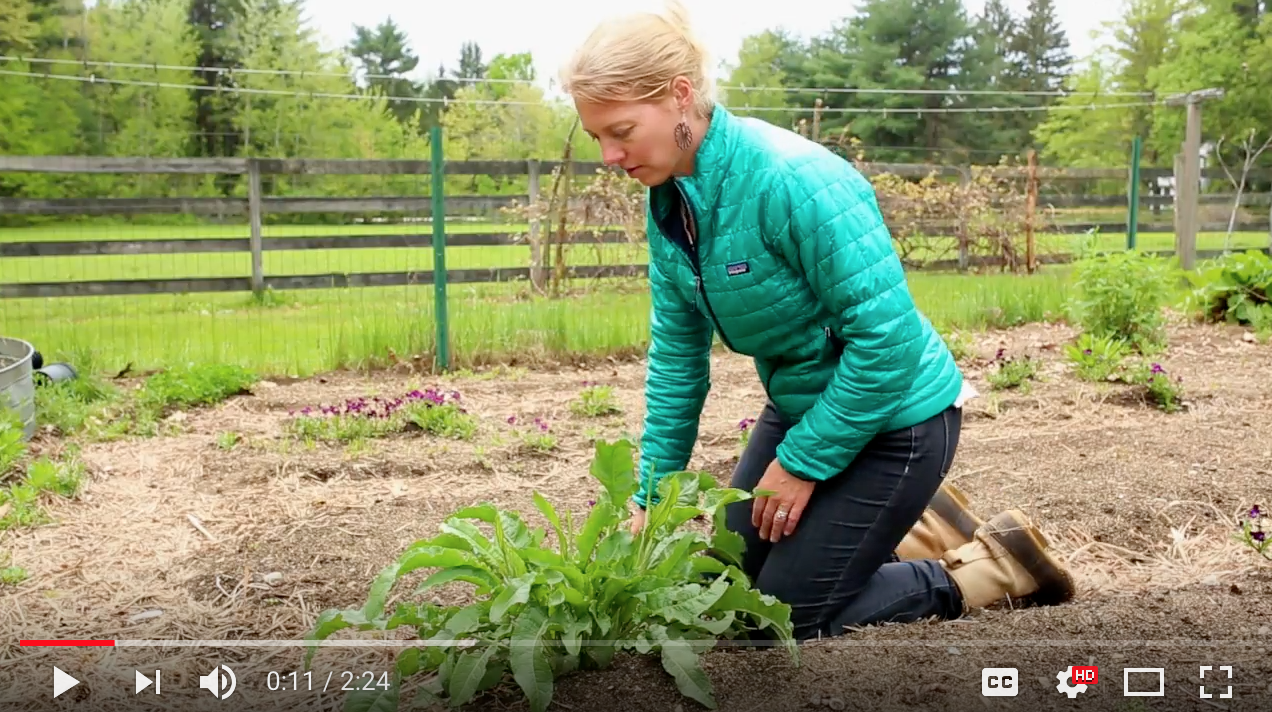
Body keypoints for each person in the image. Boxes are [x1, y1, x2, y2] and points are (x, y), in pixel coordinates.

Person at [559, 1, 1076, 641]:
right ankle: (914, 528)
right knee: (716, 598)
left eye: (622, 130)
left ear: (679, 97)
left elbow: (888, 342)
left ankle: (993, 569)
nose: (610, 155)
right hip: (805, 409)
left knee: (769, 622)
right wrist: (649, 498)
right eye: (596, 138)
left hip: (896, 421)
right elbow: (677, 363)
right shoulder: (672, 202)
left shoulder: (794, 179)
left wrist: (801, 463)